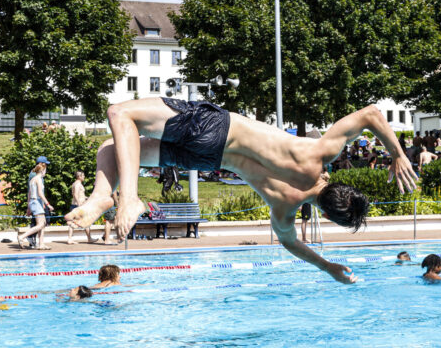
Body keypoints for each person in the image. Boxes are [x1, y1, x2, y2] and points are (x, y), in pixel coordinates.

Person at [66, 99, 416, 284]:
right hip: (207, 159)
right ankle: (102, 196)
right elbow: (291, 243)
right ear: (326, 213)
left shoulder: (320, 153)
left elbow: (371, 113)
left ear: (341, 182)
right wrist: (327, 267)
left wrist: (398, 155)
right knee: (114, 147)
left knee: (119, 114)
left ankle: (127, 196)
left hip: (216, 128)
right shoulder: (285, 207)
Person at [17, 157, 54, 249]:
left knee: (43, 223)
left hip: (34, 202)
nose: (46, 171)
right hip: (37, 202)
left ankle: (41, 244)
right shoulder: (38, 178)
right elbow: (40, 194)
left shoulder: (33, 178)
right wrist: (48, 204)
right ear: (42, 170)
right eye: (45, 169)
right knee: (40, 224)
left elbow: (29, 193)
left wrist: (29, 206)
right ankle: (22, 237)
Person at [67, 171, 93, 244]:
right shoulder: (77, 184)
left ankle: (89, 238)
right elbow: (75, 195)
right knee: (76, 222)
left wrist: (87, 198)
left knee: (85, 221)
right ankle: (70, 239)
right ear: (79, 176)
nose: (84, 177)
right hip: (77, 205)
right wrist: (79, 205)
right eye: (83, 175)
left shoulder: (76, 184)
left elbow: (80, 195)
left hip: (78, 205)